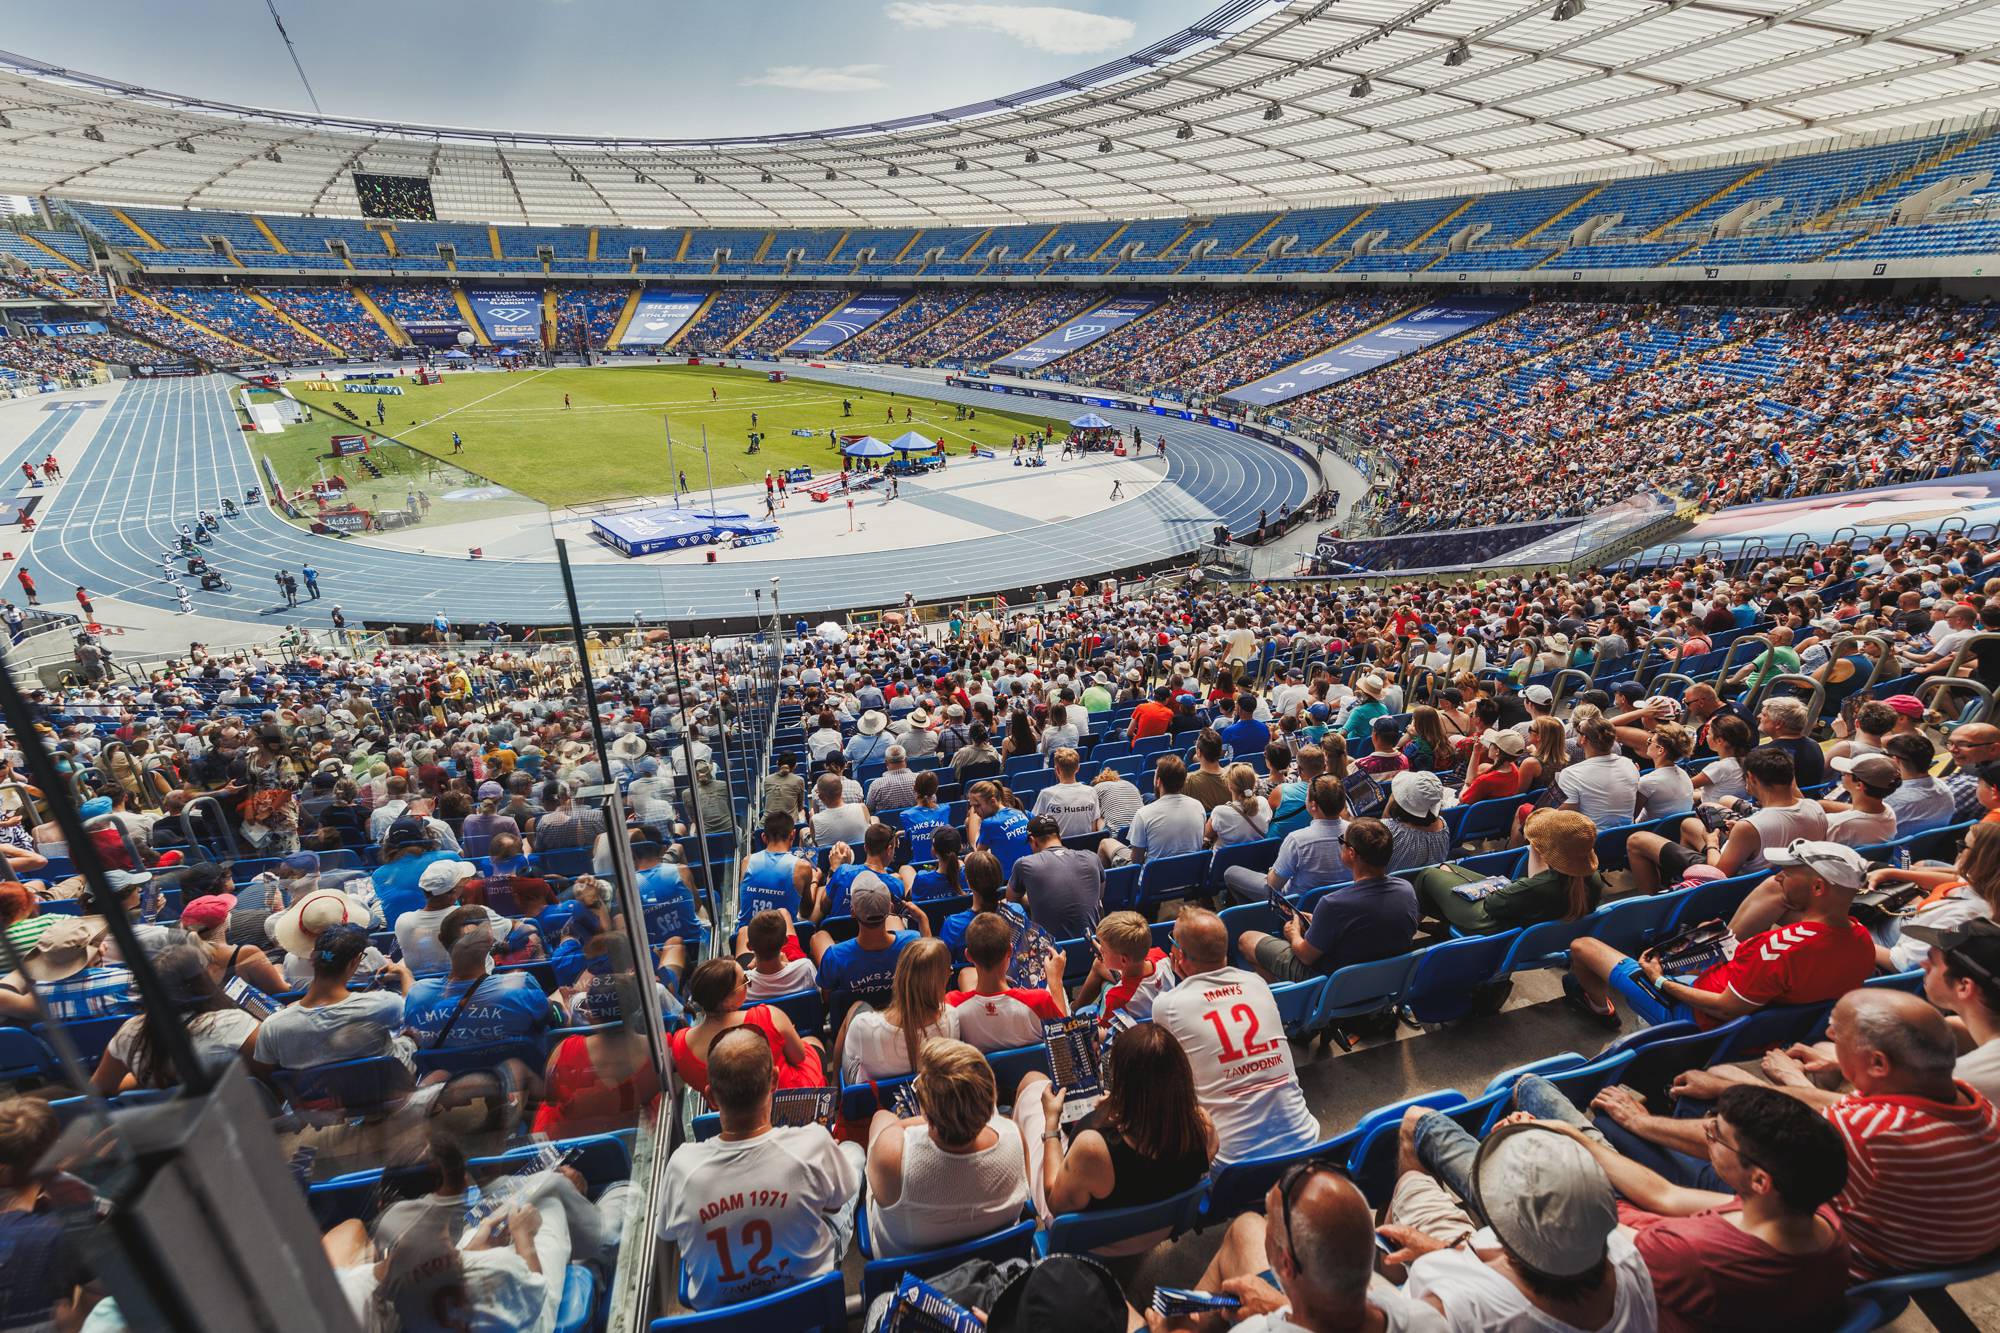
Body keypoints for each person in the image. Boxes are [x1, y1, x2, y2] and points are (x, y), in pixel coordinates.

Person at [1608, 988, 2000, 1281]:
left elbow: (1746, 1142)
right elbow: (1841, 1106)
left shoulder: (1867, 1133)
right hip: (1933, 1249)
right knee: (1724, 1082)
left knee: (1614, 1123)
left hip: (1834, 1255)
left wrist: (1638, 1122)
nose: (1829, 1034)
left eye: (1838, 1034)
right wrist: (1761, 1086)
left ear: (1878, 1063)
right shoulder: (1976, 1104)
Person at [1566, 839, 1877, 1030]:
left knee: (1583, 946)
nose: (1779, 876)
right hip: (1745, 1016)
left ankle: (1600, 1007)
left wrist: (1658, 979)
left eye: (1789, 873)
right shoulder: (1862, 941)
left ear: (1819, 888)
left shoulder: (1779, 947)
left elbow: (1726, 1007)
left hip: (1693, 1015)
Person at [659, 1025, 863, 1310]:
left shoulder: (681, 1165)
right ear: (775, 1080)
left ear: (711, 1096)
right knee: (852, 1152)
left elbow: (667, 1234)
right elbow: (835, 1204)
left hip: (721, 1316)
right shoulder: (813, 1144)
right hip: (808, 1297)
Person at [1385, 1121, 1657, 1331]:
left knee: (1411, 1176)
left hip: (1444, 1267)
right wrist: (1441, 1249)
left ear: (1511, 1251)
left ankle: (1387, 1268)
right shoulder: (1627, 1261)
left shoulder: (1461, 1309)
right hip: (1459, 1252)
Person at [1164, 1152, 1449, 1333]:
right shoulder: (1427, 1320)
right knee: (1247, 1226)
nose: (1266, 1225)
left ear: (1286, 1265)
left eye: (1271, 1224)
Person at [1016, 1024, 1214, 1241]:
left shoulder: (1092, 1149)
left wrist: (1051, 1121)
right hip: (1161, 1228)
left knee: (1031, 1081)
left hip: (1098, 1242)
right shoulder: (1202, 1126)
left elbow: (1055, 1203)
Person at [1152, 909, 1319, 1164]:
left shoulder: (1168, 1006)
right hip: (1307, 1143)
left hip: (1233, 1164)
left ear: (1179, 955)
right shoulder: (1256, 984)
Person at [863, 1037, 1030, 1257]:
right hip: (995, 1260)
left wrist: (914, 1120)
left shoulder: (893, 1154)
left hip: (907, 1273)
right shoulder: (1014, 1136)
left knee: (882, 1116)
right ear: (990, 1102)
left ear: (925, 1113)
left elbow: (887, 1133)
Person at [1237, 817, 1417, 983]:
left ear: (1352, 853)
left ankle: (1286, 1001)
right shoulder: (1406, 890)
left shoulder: (1333, 904)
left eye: (1342, 841)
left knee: (1246, 939)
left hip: (1331, 983)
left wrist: (1294, 935)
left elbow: (1306, 956)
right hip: (1382, 981)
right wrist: (1319, 923)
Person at [1624, 746, 1825, 895]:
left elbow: (1719, 876)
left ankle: (1653, 900)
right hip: (1779, 873)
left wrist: (1712, 844)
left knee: (1637, 840)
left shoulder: (1750, 827)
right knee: (1689, 824)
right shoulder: (1814, 807)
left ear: (1751, 778)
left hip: (1738, 886)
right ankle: (1680, 882)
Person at [1413, 809, 1607, 936]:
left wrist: (1536, 850)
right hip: (1519, 912)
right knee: (1449, 868)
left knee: (1429, 874)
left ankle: (1439, 926)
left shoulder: (1539, 887)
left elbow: (1492, 904)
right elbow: (1534, 887)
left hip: (1490, 921)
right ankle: (1447, 925)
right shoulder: (1593, 879)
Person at [253, 923, 414, 1071]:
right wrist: (405, 974)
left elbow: (269, 1074)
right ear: (355, 962)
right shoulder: (384, 1004)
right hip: (389, 1089)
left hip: (316, 1099)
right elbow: (415, 1012)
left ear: (312, 959)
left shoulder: (272, 1027)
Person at [670, 957, 826, 1104]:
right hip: (788, 1100)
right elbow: (799, 1057)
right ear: (727, 999)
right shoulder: (768, 1016)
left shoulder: (680, 1045)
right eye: (745, 981)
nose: (748, 984)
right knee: (812, 1041)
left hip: (730, 1119)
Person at [402, 906, 557, 1049]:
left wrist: (404, 974)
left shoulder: (416, 994)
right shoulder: (521, 984)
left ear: (442, 940)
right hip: (513, 1073)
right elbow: (554, 1019)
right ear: (490, 941)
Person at [837, 937, 958, 1081]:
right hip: (925, 1098)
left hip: (875, 1102)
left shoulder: (863, 1025)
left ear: (899, 974)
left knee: (857, 1007)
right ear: (942, 978)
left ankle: (835, 1092)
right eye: (949, 971)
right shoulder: (951, 1017)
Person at [947, 911, 1068, 1052]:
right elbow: (1065, 1041)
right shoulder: (1039, 1000)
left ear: (968, 955)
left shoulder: (952, 1005)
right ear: (1010, 950)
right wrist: (1056, 981)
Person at [1224, 774, 1349, 906]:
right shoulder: (1354, 831)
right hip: (1341, 902)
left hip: (1294, 906)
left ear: (1313, 805)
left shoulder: (1297, 840)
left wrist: (1273, 870)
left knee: (1230, 872)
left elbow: (1272, 885)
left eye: (1306, 797)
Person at [1007, 814, 1104, 938]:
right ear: (1059, 836)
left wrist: (1035, 898)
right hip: (1092, 947)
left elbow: (1011, 900)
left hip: (1051, 953)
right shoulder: (1092, 857)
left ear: (1032, 840)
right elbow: (1098, 896)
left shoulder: (1024, 864)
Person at [1100, 754, 1204, 866]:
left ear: (1158, 781)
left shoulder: (1144, 814)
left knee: (1105, 843)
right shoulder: (1198, 806)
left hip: (1153, 880)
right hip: (1190, 875)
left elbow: (1136, 860)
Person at [967, 780, 1031, 878]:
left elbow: (978, 854)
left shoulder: (989, 823)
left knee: (970, 858)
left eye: (977, 806)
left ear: (993, 801)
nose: (975, 811)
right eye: (972, 806)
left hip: (1009, 881)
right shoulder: (1018, 813)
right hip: (1030, 872)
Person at [1031, 747, 1101, 838]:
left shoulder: (1046, 794)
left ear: (1057, 770)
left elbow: (1035, 826)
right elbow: (1094, 828)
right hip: (1087, 848)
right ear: (1078, 768)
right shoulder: (1091, 791)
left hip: (1058, 849)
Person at [1207, 762, 1272, 846]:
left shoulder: (1219, 812)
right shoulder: (1263, 802)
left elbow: (1206, 835)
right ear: (1253, 783)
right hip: (1259, 857)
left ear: (1229, 785)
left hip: (1228, 859)